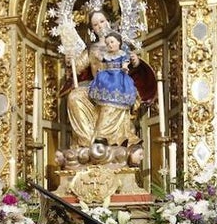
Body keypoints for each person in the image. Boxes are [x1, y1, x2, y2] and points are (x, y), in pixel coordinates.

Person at [64, 9, 154, 148]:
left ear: (109, 22)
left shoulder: (121, 46)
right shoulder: (91, 49)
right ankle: (87, 142)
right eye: (95, 24)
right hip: (96, 88)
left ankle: (104, 138)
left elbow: (131, 62)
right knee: (74, 97)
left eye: (102, 21)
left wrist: (135, 61)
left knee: (112, 96)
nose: (100, 26)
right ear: (92, 29)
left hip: (117, 85)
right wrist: (70, 61)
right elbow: (78, 66)